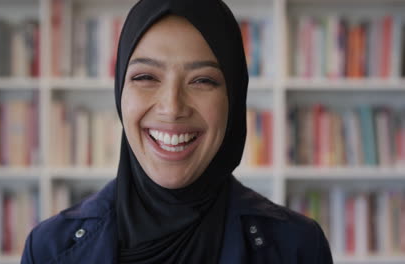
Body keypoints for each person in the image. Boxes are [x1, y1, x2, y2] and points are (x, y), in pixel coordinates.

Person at [21, 0, 333, 263]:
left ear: (234, 99)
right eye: (146, 77)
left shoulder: (299, 248)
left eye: (202, 80)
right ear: (120, 92)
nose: (172, 107)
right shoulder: (48, 249)